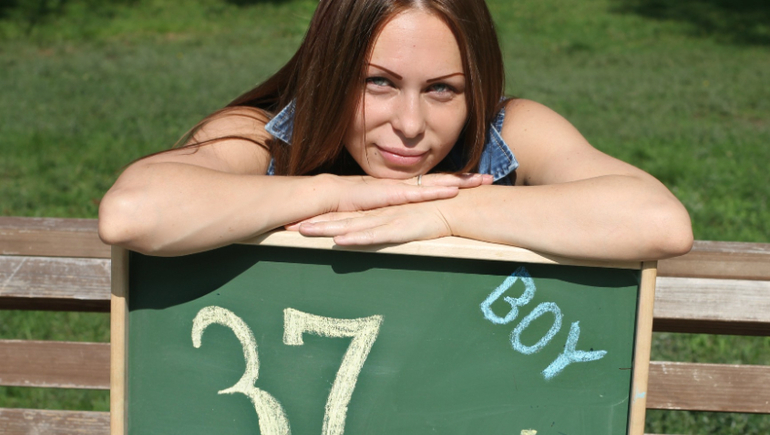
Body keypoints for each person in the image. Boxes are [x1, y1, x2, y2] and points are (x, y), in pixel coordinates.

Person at [98, 0, 693, 262]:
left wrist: (446, 213)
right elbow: (134, 213)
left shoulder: (510, 131)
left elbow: (657, 220)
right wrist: (340, 193)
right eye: (378, 82)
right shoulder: (264, 135)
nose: (410, 125)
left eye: (443, 90)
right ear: (332, 73)